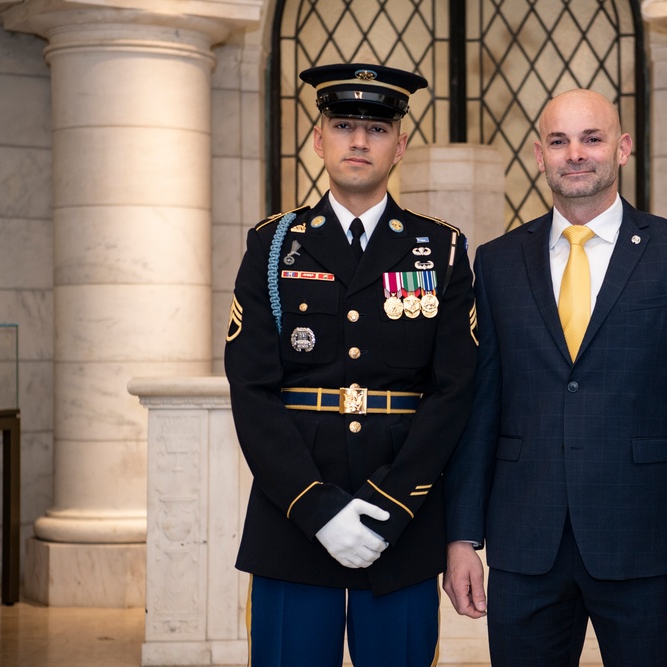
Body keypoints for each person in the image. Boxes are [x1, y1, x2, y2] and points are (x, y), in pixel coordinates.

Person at [442, 89, 667, 666]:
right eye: (559, 141)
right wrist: (461, 538)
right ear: (539, 155)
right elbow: (479, 409)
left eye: (591, 138)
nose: (575, 153)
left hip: (645, 548)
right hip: (525, 545)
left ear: (622, 148)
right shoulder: (498, 262)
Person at [224, 63, 478, 667]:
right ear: (318, 138)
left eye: (377, 128)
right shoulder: (272, 246)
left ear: (401, 145)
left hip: (402, 518)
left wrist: (391, 505)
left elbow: (454, 391)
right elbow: (252, 389)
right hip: (292, 516)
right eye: (342, 125)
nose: (359, 141)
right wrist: (315, 506)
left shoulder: (440, 249)